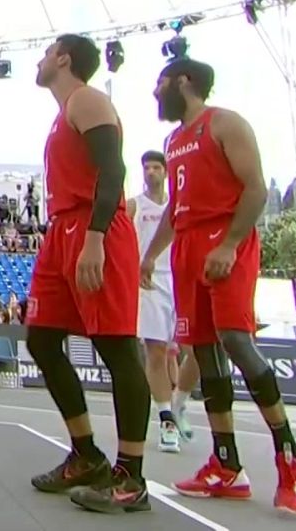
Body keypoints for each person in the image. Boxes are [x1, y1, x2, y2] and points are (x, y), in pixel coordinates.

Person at [142, 58, 296, 514]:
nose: (155, 91)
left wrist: (232, 244)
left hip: (224, 238)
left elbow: (255, 188)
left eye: (161, 82)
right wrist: (151, 254)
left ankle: (291, 459)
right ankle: (226, 465)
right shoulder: (174, 140)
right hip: (187, 247)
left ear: (184, 81)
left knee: (235, 340)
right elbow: (174, 208)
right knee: (203, 349)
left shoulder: (225, 124)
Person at [24, 35, 151, 514]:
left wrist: (96, 237)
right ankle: (86, 454)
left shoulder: (90, 100)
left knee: (116, 347)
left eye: (45, 52)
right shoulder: (64, 112)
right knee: (41, 339)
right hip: (62, 230)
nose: (38, 61)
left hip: (95, 227)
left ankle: (131, 476)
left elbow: (113, 171)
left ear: (63, 58)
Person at [131, 150, 187, 453]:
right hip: (150, 281)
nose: (151, 172)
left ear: (166, 172)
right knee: (156, 351)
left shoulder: (179, 205)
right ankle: (166, 419)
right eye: (147, 167)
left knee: (189, 352)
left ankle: (179, 402)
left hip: (181, 278)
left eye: (156, 167)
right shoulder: (135, 206)